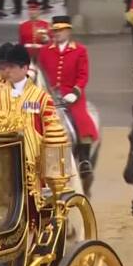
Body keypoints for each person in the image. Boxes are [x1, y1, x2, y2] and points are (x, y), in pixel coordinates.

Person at [38, 15, 97, 193]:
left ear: (68, 31)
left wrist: (75, 92)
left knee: (82, 120)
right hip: (51, 95)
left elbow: (83, 76)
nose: (57, 34)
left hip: (72, 95)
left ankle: (85, 160)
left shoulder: (80, 50)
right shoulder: (45, 51)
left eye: (61, 30)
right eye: (55, 30)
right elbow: (42, 73)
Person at [0, 44, 56, 167]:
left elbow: (53, 134)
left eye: (12, 66)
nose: (8, 70)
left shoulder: (42, 98)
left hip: (34, 163)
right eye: (6, 66)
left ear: (25, 68)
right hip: (3, 163)